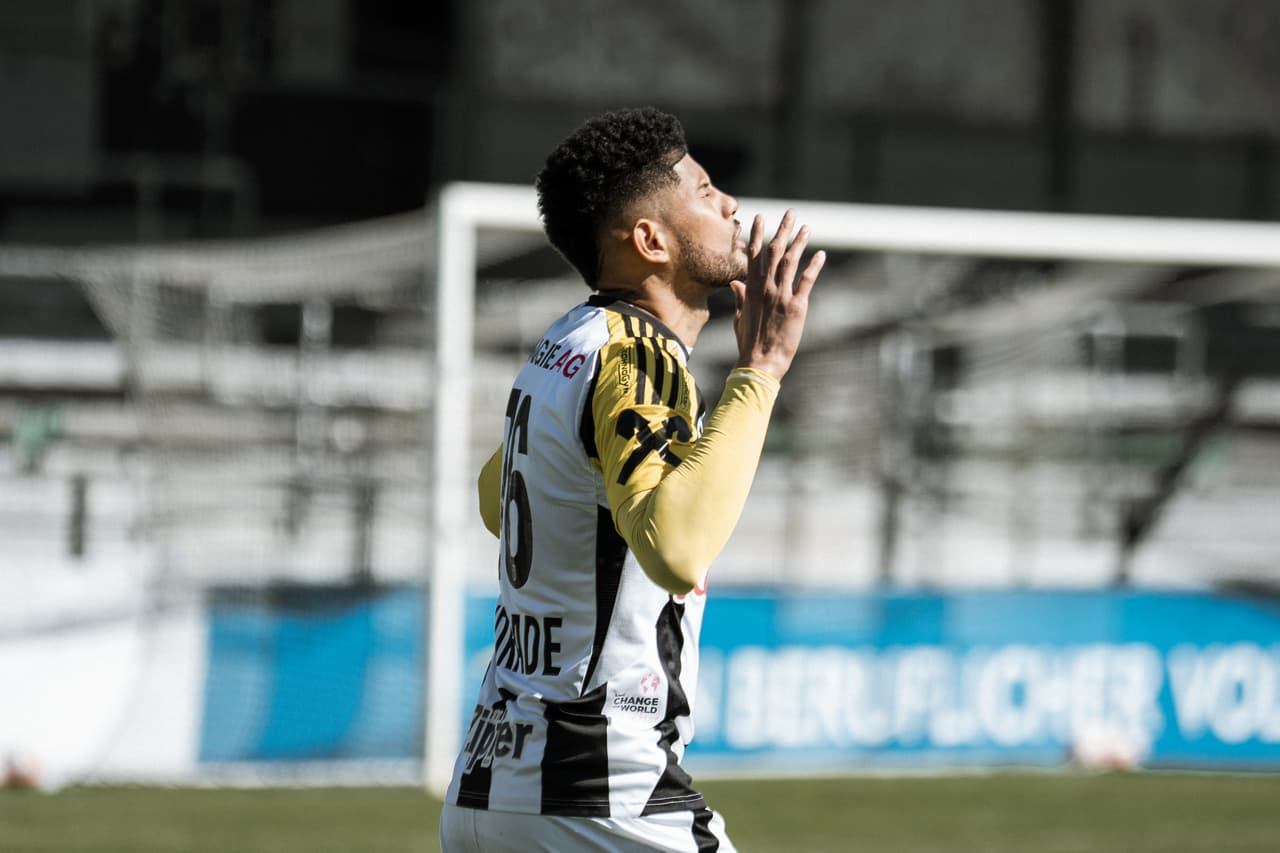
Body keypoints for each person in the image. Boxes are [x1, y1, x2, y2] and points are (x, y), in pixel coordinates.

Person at [440, 106, 825, 853]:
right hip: (599, 791)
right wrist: (762, 369)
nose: (730, 204)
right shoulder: (639, 354)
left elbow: (497, 501)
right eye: (705, 190)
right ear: (650, 241)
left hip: (489, 785)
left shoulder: (565, 343)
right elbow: (675, 550)